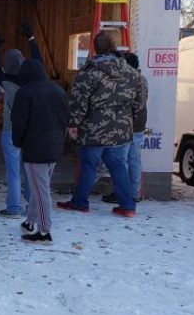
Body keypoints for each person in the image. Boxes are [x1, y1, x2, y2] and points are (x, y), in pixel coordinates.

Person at [58, 32, 145, 218]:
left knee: (89, 166)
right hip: (121, 132)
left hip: (93, 132)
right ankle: (128, 207)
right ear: (115, 47)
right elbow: (139, 103)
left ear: (95, 48)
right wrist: (127, 120)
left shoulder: (88, 74)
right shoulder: (132, 74)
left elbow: (78, 102)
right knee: (119, 167)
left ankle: (80, 203)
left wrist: (73, 124)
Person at [12, 58, 69, 243]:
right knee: (40, 188)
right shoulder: (58, 90)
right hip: (55, 145)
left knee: (41, 191)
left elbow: (19, 123)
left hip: (35, 148)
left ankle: (44, 231)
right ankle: (30, 222)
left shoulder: (25, 93)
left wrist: (18, 142)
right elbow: (66, 118)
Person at [0, 22, 42, 217]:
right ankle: (31, 203)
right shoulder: (34, 81)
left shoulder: (6, 81)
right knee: (30, 169)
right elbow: (38, 61)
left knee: (13, 171)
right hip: (31, 131)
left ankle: (13, 208)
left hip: (11, 130)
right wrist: (31, 39)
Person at [103, 52, 148, 204]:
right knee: (134, 160)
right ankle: (134, 194)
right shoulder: (142, 79)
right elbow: (140, 104)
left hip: (126, 126)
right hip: (139, 125)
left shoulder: (128, 80)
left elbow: (129, 104)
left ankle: (122, 194)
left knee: (121, 161)